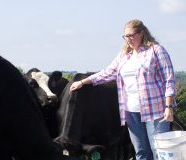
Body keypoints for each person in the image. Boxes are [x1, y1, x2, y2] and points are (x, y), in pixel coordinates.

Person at [70, 19, 176, 160]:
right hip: (131, 111)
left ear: (142, 33)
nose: (128, 39)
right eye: (126, 36)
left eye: (132, 35)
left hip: (155, 110)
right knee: (141, 152)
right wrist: (83, 82)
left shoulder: (156, 51)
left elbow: (169, 79)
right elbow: (107, 72)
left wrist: (168, 106)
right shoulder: (124, 56)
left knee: (160, 152)